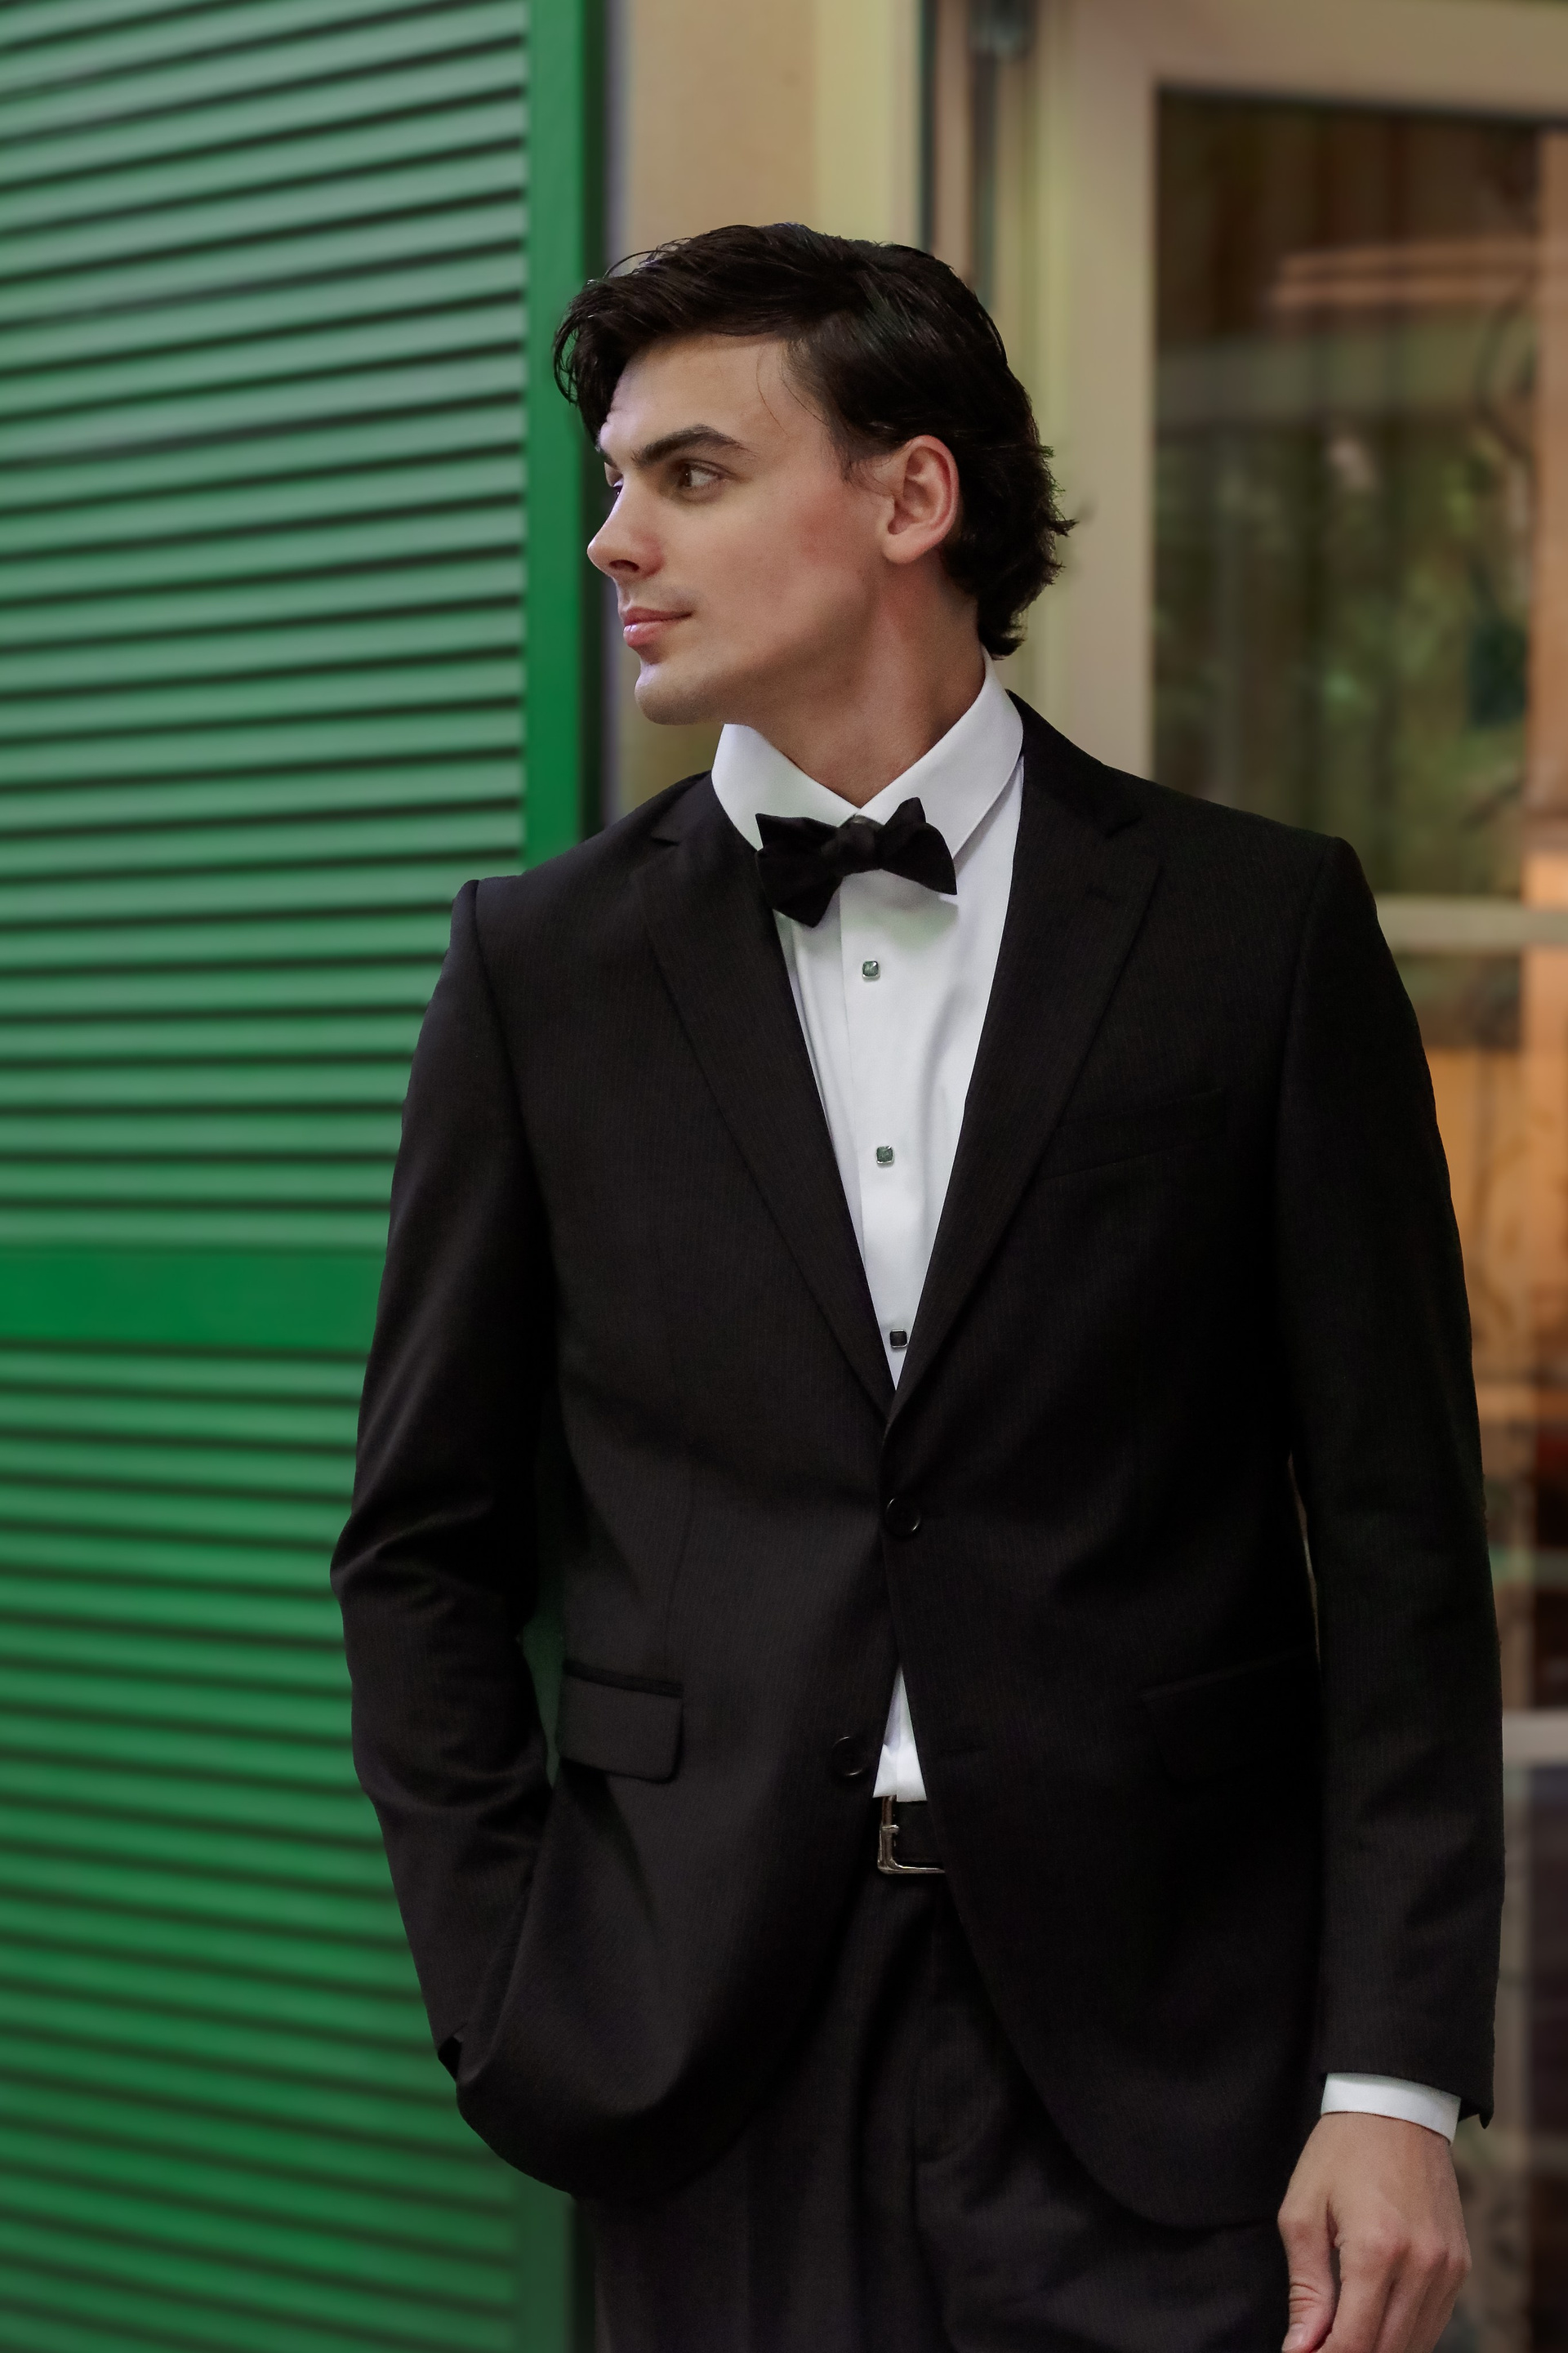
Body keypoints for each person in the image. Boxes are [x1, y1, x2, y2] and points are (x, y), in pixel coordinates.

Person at [332, 224, 1503, 2352]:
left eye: (690, 473)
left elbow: (1405, 1551)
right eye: (613, 482)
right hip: (705, 2047)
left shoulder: (1257, 935)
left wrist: (1394, 2075)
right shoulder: (538, 971)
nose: (614, 541)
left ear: (910, 496)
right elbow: (421, 1545)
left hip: (1178, 2053)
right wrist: (516, 1975)